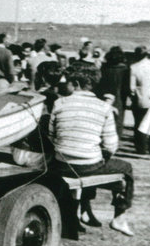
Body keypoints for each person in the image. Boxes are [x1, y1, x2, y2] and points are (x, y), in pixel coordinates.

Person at [49, 64, 136, 236]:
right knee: (126, 168)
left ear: (74, 83)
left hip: (61, 162)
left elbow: (52, 136)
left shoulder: (59, 103)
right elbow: (111, 145)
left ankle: (81, 212)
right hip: (88, 164)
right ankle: (119, 216)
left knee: (91, 162)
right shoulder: (104, 107)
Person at [129, 46, 150, 154]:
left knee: (139, 124)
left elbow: (132, 87)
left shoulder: (134, 67)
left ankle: (141, 148)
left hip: (141, 99)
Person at [96, 46, 131, 138]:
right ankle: (115, 139)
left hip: (104, 94)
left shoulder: (104, 68)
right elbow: (127, 87)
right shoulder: (125, 69)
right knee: (118, 119)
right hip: (119, 96)